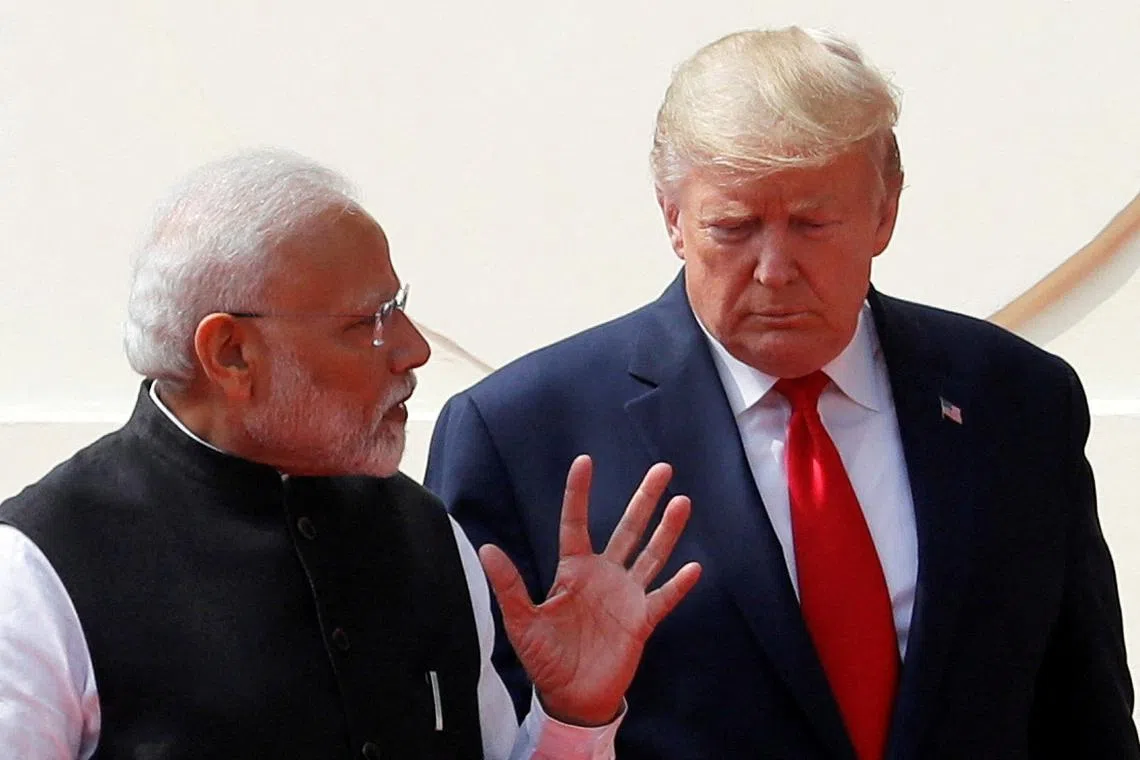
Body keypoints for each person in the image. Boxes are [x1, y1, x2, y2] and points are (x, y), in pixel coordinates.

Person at [425, 26, 1140, 759]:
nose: (773, 269)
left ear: (884, 213)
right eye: (733, 228)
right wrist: (574, 717)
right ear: (674, 219)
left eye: (812, 224)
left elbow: (1084, 713)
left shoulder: (1016, 401)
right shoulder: (522, 436)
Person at [0, 150, 701, 759]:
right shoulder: (37, 575)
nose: (413, 349)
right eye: (367, 322)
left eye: (399, 307)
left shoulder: (425, 532)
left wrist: (574, 716)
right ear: (231, 354)